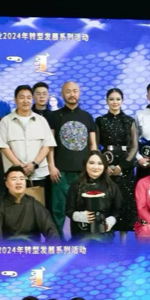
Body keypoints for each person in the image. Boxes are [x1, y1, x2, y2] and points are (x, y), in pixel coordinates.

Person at [47, 81, 97, 234]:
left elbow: (93, 145)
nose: (72, 94)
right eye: (68, 91)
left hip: (83, 172)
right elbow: (49, 144)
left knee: (82, 209)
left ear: (79, 93)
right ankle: (58, 242)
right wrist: (51, 166)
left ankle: (80, 240)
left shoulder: (87, 117)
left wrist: (93, 167)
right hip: (60, 172)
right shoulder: (54, 116)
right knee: (58, 210)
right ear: (62, 94)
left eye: (75, 91)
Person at [0, 85, 56, 208]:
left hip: (38, 174)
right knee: (15, 209)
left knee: (39, 209)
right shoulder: (5, 121)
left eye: (29, 98)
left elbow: (47, 145)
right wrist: (19, 166)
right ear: (15, 100)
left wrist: (34, 164)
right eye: (22, 97)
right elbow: (3, 146)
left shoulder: (41, 121)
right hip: (14, 176)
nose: (25, 101)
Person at [95, 88, 139, 238]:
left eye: (118, 99)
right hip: (106, 164)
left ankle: (124, 243)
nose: (115, 102)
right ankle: (106, 239)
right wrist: (104, 166)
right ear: (107, 101)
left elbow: (134, 146)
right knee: (108, 200)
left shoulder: (129, 120)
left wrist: (123, 165)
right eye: (112, 99)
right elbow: (95, 146)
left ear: (122, 101)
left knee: (125, 202)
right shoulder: (100, 120)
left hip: (125, 165)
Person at [0, 166, 59, 241]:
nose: (18, 182)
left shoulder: (34, 204)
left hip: (31, 246)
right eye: (14, 179)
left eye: (22, 179)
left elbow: (51, 230)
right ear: (6, 184)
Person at [65, 151, 122, 242]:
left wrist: (109, 222)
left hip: (104, 235)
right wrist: (80, 216)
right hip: (80, 234)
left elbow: (118, 211)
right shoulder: (76, 186)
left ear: (105, 166)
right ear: (85, 165)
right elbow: (68, 210)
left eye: (100, 164)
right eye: (91, 163)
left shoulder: (112, 187)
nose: (96, 167)